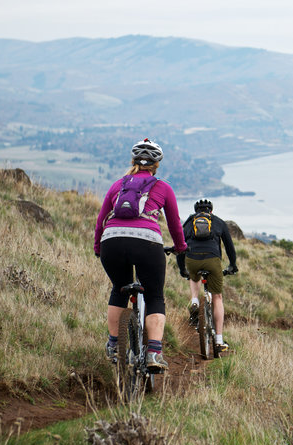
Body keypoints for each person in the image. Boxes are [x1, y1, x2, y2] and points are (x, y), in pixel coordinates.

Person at [94, 138, 187, 372]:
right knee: (154, 295)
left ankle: (114, 345)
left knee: (119, 288)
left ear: (133, 161)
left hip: (112, 242)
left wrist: (98, 247)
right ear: (156, 165)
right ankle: (154, 353)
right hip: (147, 244)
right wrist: (181, 247)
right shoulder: (163, 187)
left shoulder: (118, 185)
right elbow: (175, 224)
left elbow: (100, 220)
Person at [178, 199, 238, 353]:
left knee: (194, 276)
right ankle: (218, 339)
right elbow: (230, 247)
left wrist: (182, 268)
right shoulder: (218, 222)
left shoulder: (189, 222)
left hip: (192, 260)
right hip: (212, 260)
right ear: (211, 211)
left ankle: (195, 300)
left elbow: (180, 245)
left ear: (196, 211)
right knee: (217, 297)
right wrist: (232, 265)